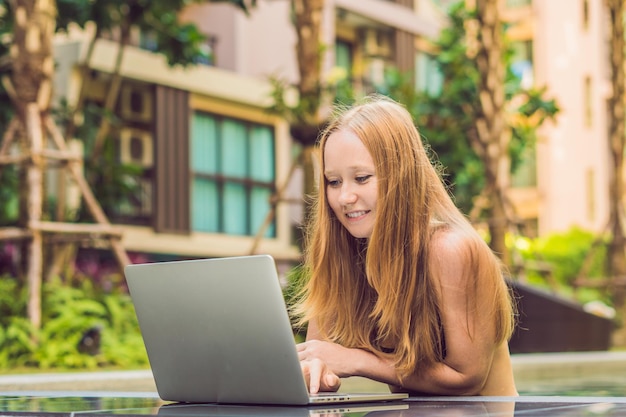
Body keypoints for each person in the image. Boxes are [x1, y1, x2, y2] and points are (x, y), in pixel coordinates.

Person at [292, 94, 518, 396]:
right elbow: (320, 355)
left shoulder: (450, 249)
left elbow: (468, 379)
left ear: (400, 175)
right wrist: (316, 372)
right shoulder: (343, 255)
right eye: (334, 182)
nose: (345, 197)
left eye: (361, 178)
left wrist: (357, 360)